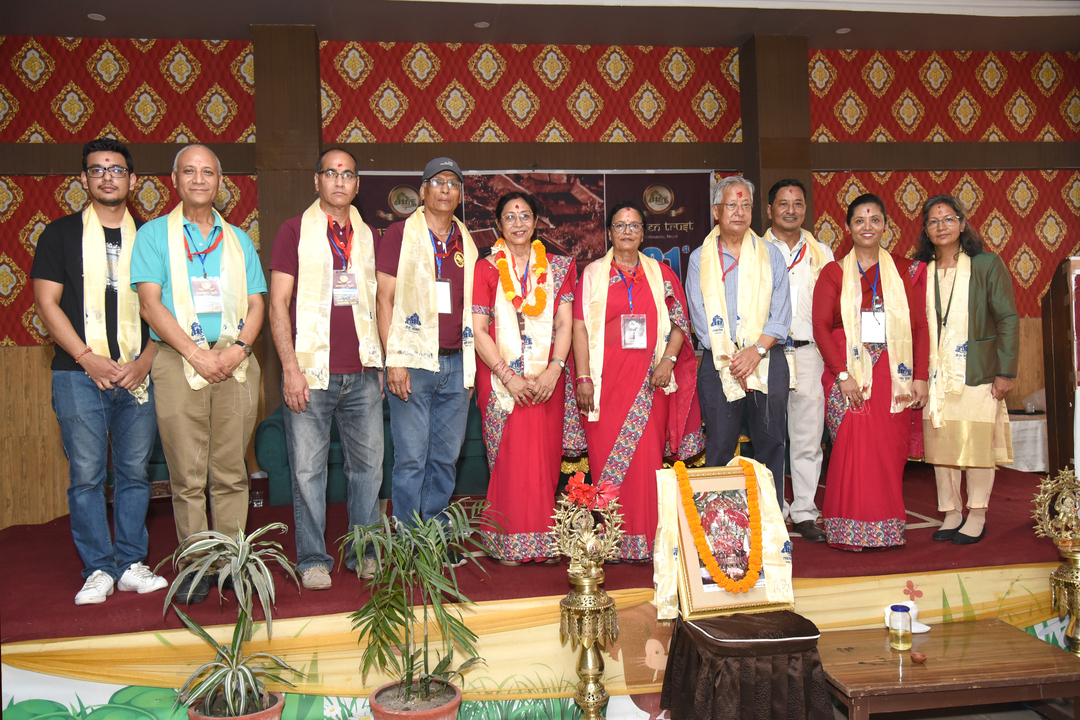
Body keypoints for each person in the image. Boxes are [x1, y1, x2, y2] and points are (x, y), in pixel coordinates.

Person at [31, 138, 167, 605]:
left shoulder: (152, 237)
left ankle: (129, 564)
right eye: (97, 169)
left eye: (117, 169)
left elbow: (167, 308)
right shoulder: (59, 235)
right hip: (77, 374)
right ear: (84, 179)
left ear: (133, 179)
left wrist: (145, 360)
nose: (108, 177)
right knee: (87, 476)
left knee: (134, 473)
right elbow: (46, 303)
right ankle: (97, 569)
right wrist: (86, 357)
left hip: (137, 373)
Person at [131, 144, 266, 603]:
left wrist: (239, 349)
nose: (198, 179)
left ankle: (231, 562)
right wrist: (195, 353)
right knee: (187, 475)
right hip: (177, 360)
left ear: (220, 182)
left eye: (208, 172)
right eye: (188, 171)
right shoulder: (153, 235)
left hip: (235, 363)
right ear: (174, 180)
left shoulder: (238, 239)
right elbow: (150, 304)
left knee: (231, 471)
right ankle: (196, 565)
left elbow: (257, 303)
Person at [268, 149, 383, 589]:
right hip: (310, 373)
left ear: (357, 184)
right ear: (316, 181)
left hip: (363, 372)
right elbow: (279, 303)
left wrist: (381, 363)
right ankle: (313, 559)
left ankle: (364, 552)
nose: (339, 181)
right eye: (331, 173)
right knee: (307, 472)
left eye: (347, 174)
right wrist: (290, 368)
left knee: (368, 469)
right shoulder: (293, 231)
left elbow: (377, 303)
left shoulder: (367, 235)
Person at [573, 201, 702, 562]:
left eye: (634, 225)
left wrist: (668, 360)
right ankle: (611, 541)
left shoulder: (661, 274)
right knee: (606, 460)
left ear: (643, 233)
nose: (627, 231)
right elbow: (579, 328)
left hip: (651, 384)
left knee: (647, 463)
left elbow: (680, 324)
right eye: (620, 225)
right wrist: (583, 377)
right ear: (609, 232)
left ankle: (649, 540)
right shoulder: (593, 274)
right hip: (604, 385)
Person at [811, 193, 929, 551]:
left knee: (886, 454)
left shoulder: (905, 271)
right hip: (847, 374)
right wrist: (843, 375)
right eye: (859, 220)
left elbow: (920, 327)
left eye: (875, 220)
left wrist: (921, 376)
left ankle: (885, 528)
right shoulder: (833, 272)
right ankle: (847, 530)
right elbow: (820, 327)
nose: (867, 226)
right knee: (852, 452)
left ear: (886, 226)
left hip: (894, 376)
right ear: (848, 227)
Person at [376, 157, 477, 555]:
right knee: (411, 459)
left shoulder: (467, 242)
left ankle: (434, 537)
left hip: (457, 362)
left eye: (453, 182)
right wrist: (394, 360)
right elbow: (384, 300)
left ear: (460, 195)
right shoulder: (400, 234)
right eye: (437, 181)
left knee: (445, 459)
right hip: (413, 362)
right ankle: (406, 541)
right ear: (422, 191)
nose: (446, 188)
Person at [473, 192, 576, 565]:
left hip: (547, 378)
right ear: (498, 224)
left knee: (544, 458)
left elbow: (565, 323)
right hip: (501, 380)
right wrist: (507, 376)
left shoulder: (559, 267)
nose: (518, 223)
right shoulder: (486, 268)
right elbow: (478, 330)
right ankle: (507, 541)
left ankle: (544, 540)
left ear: (536, 222)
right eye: (510, 216)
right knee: (511, 458)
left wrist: (555, 368)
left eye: (525, 215)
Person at [914, 195, 1018, 545]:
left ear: (962, 223)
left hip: (978, 370)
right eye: (933, 221)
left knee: (976, 446)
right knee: (941, 446)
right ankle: (951, 512)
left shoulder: (986, 264)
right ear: (926, 230)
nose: (941, 226)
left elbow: (1007, 318)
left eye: (948, 219)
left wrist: (1006, 371)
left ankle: (977, 513)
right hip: (934, 373)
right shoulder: (919, 269)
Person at [686, 176, 791, 509]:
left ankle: (771, 519)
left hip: (767, 360)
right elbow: (700, 319)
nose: (740, 212)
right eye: (732, 205)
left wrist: (755, 353)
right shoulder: (700, 258)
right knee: (719, 445)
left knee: (771, 444)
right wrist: (735, 360)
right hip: (720, 365)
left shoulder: (771, 255)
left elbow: (781, 315)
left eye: (746, 205)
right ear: (716, 211)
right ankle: (719, 521)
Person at [764, 179, 833, 543]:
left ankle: (805, 511)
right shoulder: (755, 250)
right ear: (769, 210)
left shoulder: (823, 252)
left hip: (809, 354)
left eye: (798, 204)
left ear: (806, 209)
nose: (791, 210)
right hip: (767, 355)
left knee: (808, 438)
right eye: (783, 203)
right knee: (771, 437)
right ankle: (773, 511)